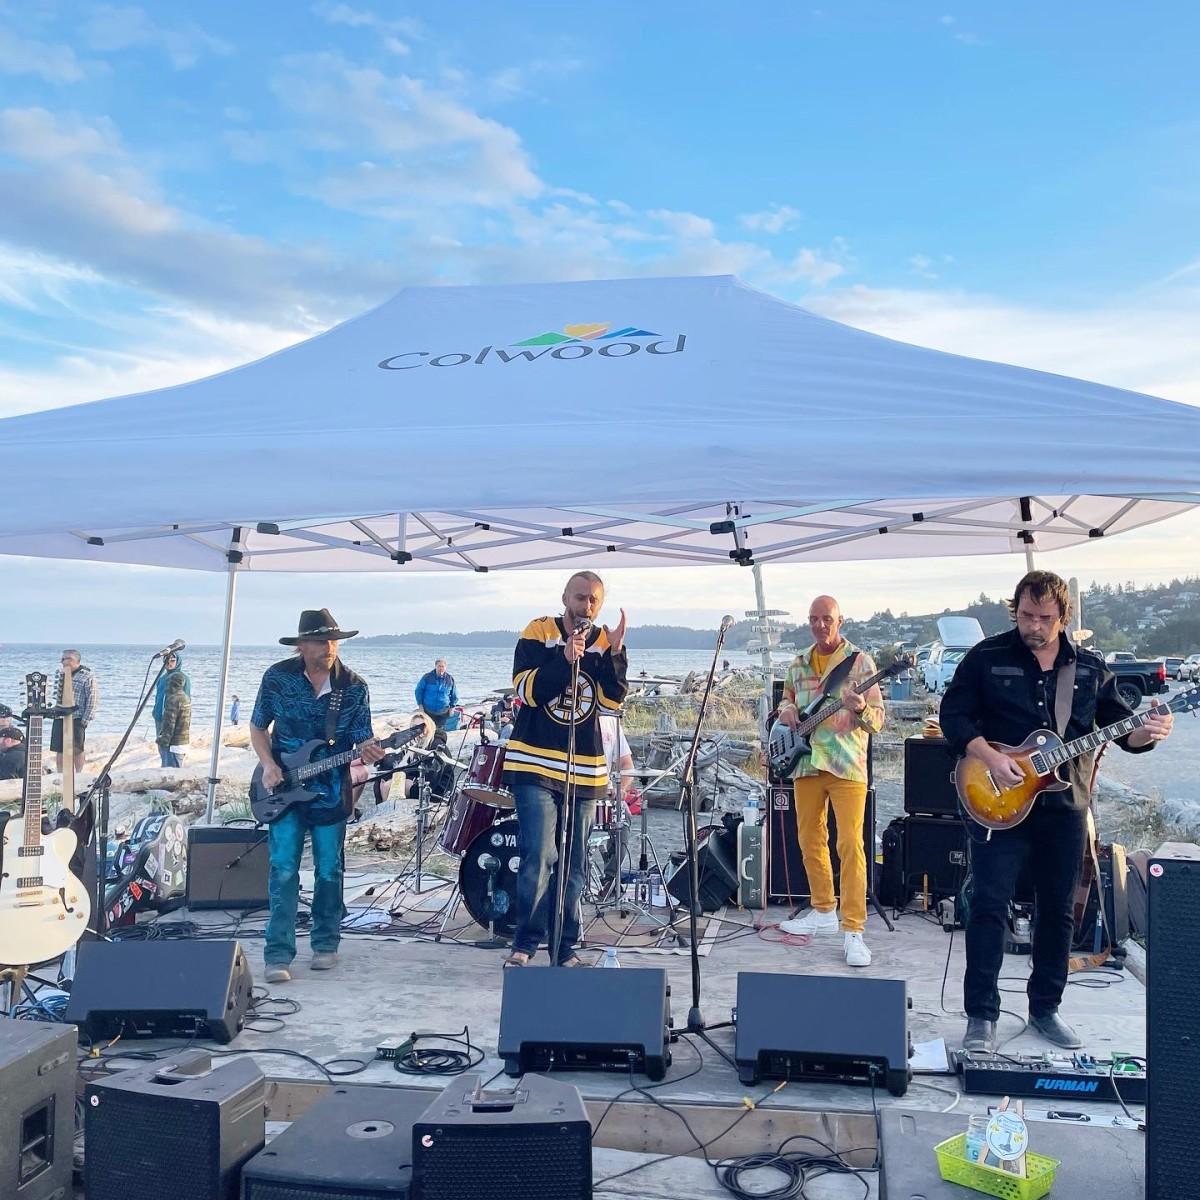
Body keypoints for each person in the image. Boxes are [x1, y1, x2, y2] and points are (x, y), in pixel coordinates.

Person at [941, 571, 1173, 1052]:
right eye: (1026, 615)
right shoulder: (986, 658)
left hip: (1065, 810)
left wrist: (1145, 733)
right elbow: (954, 716)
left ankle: (1045, 1008)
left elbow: (1118, 730)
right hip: (998, 803)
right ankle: (980, 1016)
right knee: (986, 907)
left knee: (1058, 913)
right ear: (1016, 610)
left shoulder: (1087, 668)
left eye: (1045, 618)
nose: (1034, 626)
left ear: (1062, 617)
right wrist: (989, 756)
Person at [250, 608, 385, 984]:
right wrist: (268, 765)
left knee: (329, 869)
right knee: (283, 869)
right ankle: (278, 953)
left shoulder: (354, 687)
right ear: (302, 646)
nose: (328, 647)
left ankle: (326, 943)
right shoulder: (277, 678)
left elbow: (362, 736)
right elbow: (258, 727)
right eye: (320, 640)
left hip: (330, 792)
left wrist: (372, 749)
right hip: (281, 788)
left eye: (332, 640)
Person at [501, 570, 628, 967]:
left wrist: (616, 655)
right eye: (579, 598)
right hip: (534, 764)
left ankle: (563, 947)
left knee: (573, 864)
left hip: (585, 770)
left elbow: (610, 705)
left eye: (593, 600)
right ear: (564, 598)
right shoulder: (539, 631)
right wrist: (565, 657)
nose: (585, 606)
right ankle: (525, 943)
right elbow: (526, 691)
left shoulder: (605, 641)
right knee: (539, 856)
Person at [776, 595, 885, 967]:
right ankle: (823, 909)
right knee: (809, 838)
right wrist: (787, 708)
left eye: (827, 619)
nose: (820, 625)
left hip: (846, 763)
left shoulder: (861, 663)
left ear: (840, 620)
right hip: (805, 763)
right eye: (813, 619)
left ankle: (853, 929)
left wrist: (860, 708)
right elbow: (786, 701)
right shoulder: (798, 662)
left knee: (850, 843)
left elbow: (878, 721)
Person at [50, 650, 97, 774]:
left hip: (77, 717)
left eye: (66, 658)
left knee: (77, 749)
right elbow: (55, 693)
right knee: (59, 748)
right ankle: (60, 774)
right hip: (60, 715)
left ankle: (79, 773)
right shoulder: (60, 673)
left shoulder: (87, 676)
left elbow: (92, 698)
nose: (62, 661)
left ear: (74, 660)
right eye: (62, 658)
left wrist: (86, 719)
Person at [152, 651, 191, 744]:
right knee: (161, 746)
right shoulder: (162, 678)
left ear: (177, 661)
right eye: (167, 661)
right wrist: (155, 712)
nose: (169, 663)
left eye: (173, 661)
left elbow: (187, 700)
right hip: (159, 717)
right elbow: (158, 697)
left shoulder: (183, 678)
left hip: (173, 719)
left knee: (172, 747)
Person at [156, 671, 191, 767]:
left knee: (169, 773)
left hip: (173, 744)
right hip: (184, 742)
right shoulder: (186, 698)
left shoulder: (173, 699)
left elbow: (169, 723)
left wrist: (163, 741)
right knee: (179, 770)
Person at [414, 659, 459, 731]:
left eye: (443, 666)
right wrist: (420, 705)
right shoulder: (427, 677)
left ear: (445, 667)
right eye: (439, 666)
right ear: (435, 666)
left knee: (439, 732)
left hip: (443, 712)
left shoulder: (450, 679)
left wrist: (452, 707)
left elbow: (454, 695)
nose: (441, 668)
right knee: (428, 731)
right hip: (428, 711)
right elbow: (418, 691)